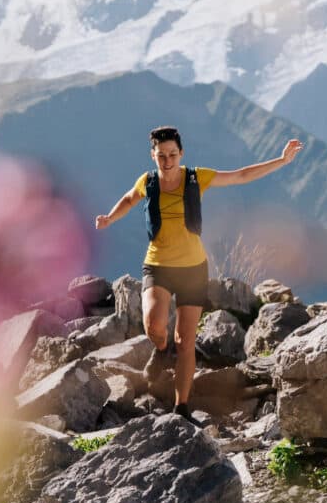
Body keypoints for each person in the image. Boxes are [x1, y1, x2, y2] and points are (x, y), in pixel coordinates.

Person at [95, 125, 304, 422]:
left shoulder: (196, 178)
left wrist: (281, 160)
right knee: (154, 325)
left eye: (172, 154)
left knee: (186, 340)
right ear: (153, 155)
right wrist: (109, 218)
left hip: (193, 268)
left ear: (181, 154)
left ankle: (182, 408)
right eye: (161, 155)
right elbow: (129, 199)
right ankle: (162, 349)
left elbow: (241, 174)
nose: (167, 160)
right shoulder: (148, 182)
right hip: (158, 265)